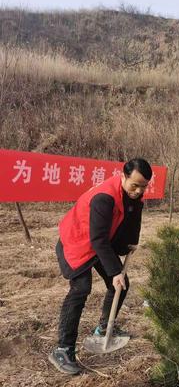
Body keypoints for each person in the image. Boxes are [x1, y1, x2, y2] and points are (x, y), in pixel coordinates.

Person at [49, 158, 152, 375]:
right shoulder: (104, 198)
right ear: (123, 176)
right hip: (77, 242)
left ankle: (104, 328)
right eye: (135, 185)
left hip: (98, 244)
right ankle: (62, 349)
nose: (138, 191)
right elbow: (98, 239)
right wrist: (114, 271)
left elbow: (132, 221)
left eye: (143, 186)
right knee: (81, 288)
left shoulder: (133, 195)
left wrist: (129, 243)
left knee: (121, 285)